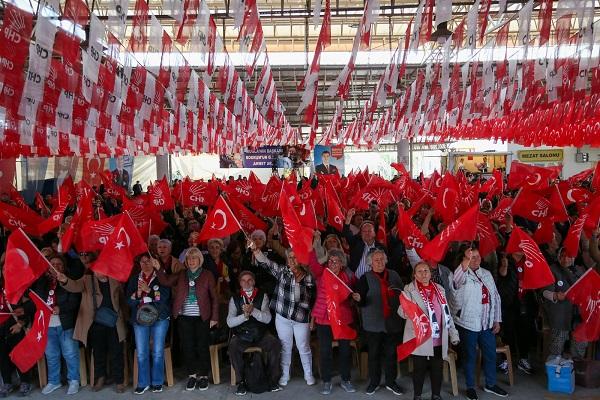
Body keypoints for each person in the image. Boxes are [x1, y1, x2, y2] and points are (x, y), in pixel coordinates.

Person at [249, 240, 316, 387]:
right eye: (289, 257)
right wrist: (256, 250)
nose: (292, 260)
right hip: (283, 317)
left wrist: (298, 284)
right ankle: (285, 374)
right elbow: (266, 263)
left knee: (303, 346)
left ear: (301, 259)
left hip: (301, 318)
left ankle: (308, 374)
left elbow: (310, 301)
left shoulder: (309, 277)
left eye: (295, 257)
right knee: (285, 346)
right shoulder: (282, 271)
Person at [56, 261, 127, 393]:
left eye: (101, 268)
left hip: (114, 322)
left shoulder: (115, 279)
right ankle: (100, 378)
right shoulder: (87, 280)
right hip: (95, 322)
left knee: (116, 352)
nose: (98, 271)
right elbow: (75, 286)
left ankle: (119, 381)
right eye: (96, 269)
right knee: (98, 352)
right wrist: (65, 280)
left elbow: (122, 298)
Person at [158, 247, 218, 391]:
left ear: (200, 260)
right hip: (184, 317)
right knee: (188, 347)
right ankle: (192, 375)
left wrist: (214, 317)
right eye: (189, 259)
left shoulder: (207, 275)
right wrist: (158, 268)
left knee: (202, 346)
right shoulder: (181, 274)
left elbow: (214, 297)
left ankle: (203, 376)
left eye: (194, 258)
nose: (191, 261)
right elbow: (165, 281)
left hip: (202, 317)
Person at [451, 245, 507, 400]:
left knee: (490, 354)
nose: (476, 260)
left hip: (486, 323)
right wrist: (465, 262)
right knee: (470, 357)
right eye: (471, 257)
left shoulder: (486, 273)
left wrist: (496, 319)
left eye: (477, 256)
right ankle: (470, 387)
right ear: (464, 258)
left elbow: (495, 297)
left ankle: (491, 384)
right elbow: (455, 282)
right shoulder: (460, 273)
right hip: (468, 323)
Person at [398, 262, 460, 400]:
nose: (423, 273)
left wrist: (453, 334)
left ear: (430, 273)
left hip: (438, 337)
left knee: (436, 368)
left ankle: (436, 395)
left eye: (426, 270)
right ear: (414, 274)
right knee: (419, 369)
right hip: (420, 337)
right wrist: (406, 312)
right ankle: (418, 395)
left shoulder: (439, 289)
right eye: (419, 271)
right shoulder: (409, 289)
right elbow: (401, 311)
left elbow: (447, 313)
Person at [309, 248, 359, 395]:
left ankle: (346, 380)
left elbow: (355, 290)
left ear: (342, 263)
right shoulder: (322, 274)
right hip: (324, 319)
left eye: (336, 261)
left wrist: (356, 295)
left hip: (342, 319)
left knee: (345, 351)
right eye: (330, 261)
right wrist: (313, 246)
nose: (332, 264)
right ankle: (326, 381)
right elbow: (313, 263)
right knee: (325, 351)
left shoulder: (348, 276)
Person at [356, 249, 404, 396]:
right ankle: (374, 382)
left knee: (391, 354)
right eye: (376, 260)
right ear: (370, 263)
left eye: (382, 259)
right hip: (373, 324)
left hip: (393, 322)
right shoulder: (365, 278)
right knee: (374, 354)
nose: (380, 262)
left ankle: (391, 382)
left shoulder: (394, 275)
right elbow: (361, 301)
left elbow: (403, 294)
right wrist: (359, 299)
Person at [226, 271, 282, 395]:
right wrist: (244, 316)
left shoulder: (263, 296)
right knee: (233, 347)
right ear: (240, 283)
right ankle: (241, 382)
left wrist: (254, 311)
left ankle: (272, 380)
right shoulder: (234, 298)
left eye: (249, 280)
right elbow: (229, 322)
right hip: (242, 335)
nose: (247, 283)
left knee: (275, 344)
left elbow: (267, 319)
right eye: (243, 280)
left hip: (260, 334)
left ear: (254, 281)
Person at [35, 255, 82, 395]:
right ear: (48, 266)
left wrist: (61, 309)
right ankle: (54, 381)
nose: (56, 266)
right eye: (53, 264)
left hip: (65, 323)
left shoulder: (68, 281)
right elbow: (37, 299)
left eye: (59, 264)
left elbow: (75, 302)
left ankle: (74, 381)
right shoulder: (42, 282)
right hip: (47, 325)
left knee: (70, 354)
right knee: (51, 354)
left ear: (64, 267)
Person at [126, 254, 171, 394]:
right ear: (139, 264)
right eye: (143, 262)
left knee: (157, 352)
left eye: (149, 261)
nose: (146, 264)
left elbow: (163, 298)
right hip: (140, 319)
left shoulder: (161, 277)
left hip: (160, 318)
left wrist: (148, 290)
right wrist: (138, 294)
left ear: (154, 262)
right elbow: (129, 301)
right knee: (141, 353)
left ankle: (157, 382)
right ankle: (143, 382)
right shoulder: (134, 279)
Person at [541, 247, 587, 360]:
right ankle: (554, 373)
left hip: (578, 316)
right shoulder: (552, 269)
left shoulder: (580, 270)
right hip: (560, 314)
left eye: (568, 256)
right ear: (558, 257)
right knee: (556, 348)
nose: (565, 259)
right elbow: (544, 292)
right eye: (562, 256)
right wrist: (555, 295)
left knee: (579, 347)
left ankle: (575, 372)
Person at [343, 210, 385, 278]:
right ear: (361, 234)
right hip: (355, 280)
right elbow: (347, 233)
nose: (367, 233)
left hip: (373, 281)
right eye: (364, 231)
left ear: (374, 233)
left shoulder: (381, 248)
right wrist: (348, 218)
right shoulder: (356, 242)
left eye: (369, 231)